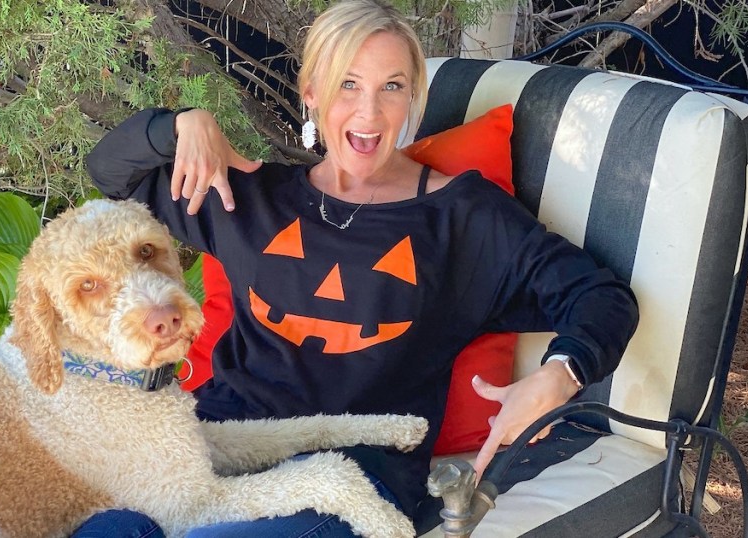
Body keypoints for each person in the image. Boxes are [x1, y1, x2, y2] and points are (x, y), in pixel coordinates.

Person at [78, 0, 639, 536]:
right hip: (220, 445)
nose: (369, 113)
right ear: (312, 92)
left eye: (391, 87)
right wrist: (181, 125)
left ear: (412, 98)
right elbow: (111, 174)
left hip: (350, 477)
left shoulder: (461, 218)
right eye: (348, 84)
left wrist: (559, 375)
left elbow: (600, 295)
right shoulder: (252, 199)